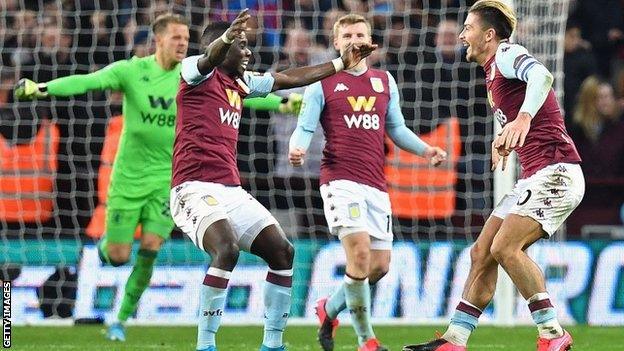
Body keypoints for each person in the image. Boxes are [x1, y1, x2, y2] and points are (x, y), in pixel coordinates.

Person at [13, 13, 302, 343]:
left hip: (170, 180)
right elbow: (87, 81)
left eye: (185, 38)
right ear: (159, 40)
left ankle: (121, 320)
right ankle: (105, 252)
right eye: (176, 37)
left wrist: (283, 105)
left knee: (151, 247)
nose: (182, 44)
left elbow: (241, 96)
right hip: (129, 178)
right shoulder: (132, 70)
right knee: (119, 256)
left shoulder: (194, 75)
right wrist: (41, 88)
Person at [169, 8, 376, 351]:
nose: (249, 52)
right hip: (191, 189)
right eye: (242, 45)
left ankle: (273, 345)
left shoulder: (241, 82)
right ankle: (205, 344)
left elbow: (289, 78)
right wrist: (224, 39)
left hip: (230, 191)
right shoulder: (194, 73)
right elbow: (208, 58)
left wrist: (342, 63)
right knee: (226, 249)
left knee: (283, 252)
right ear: (223, 47)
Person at [402, 1, 584, 351]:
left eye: (468, 28)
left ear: (489, 34)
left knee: (505, 247)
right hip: (533, 175)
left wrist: (524, 119)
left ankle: (552, 332)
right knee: (481, 252)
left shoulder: (506, 53)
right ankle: (455, 339)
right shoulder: (492, 72)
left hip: (557, 171)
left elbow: (542, 76)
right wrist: (502, 139)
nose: (462, 36)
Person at [288, 14, 447, 351]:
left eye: (359, 33)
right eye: (346, 35)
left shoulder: (384, 81)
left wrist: (425, 149)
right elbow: (305, 125)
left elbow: (397, 129)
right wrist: (297, 147)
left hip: (376, 183)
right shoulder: (322, 82)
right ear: (336, 43)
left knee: (379, 267)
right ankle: (367, 341)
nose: (353, 39)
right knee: (358, 256)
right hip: (339, 179)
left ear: (371, 41)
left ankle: (328, 308)